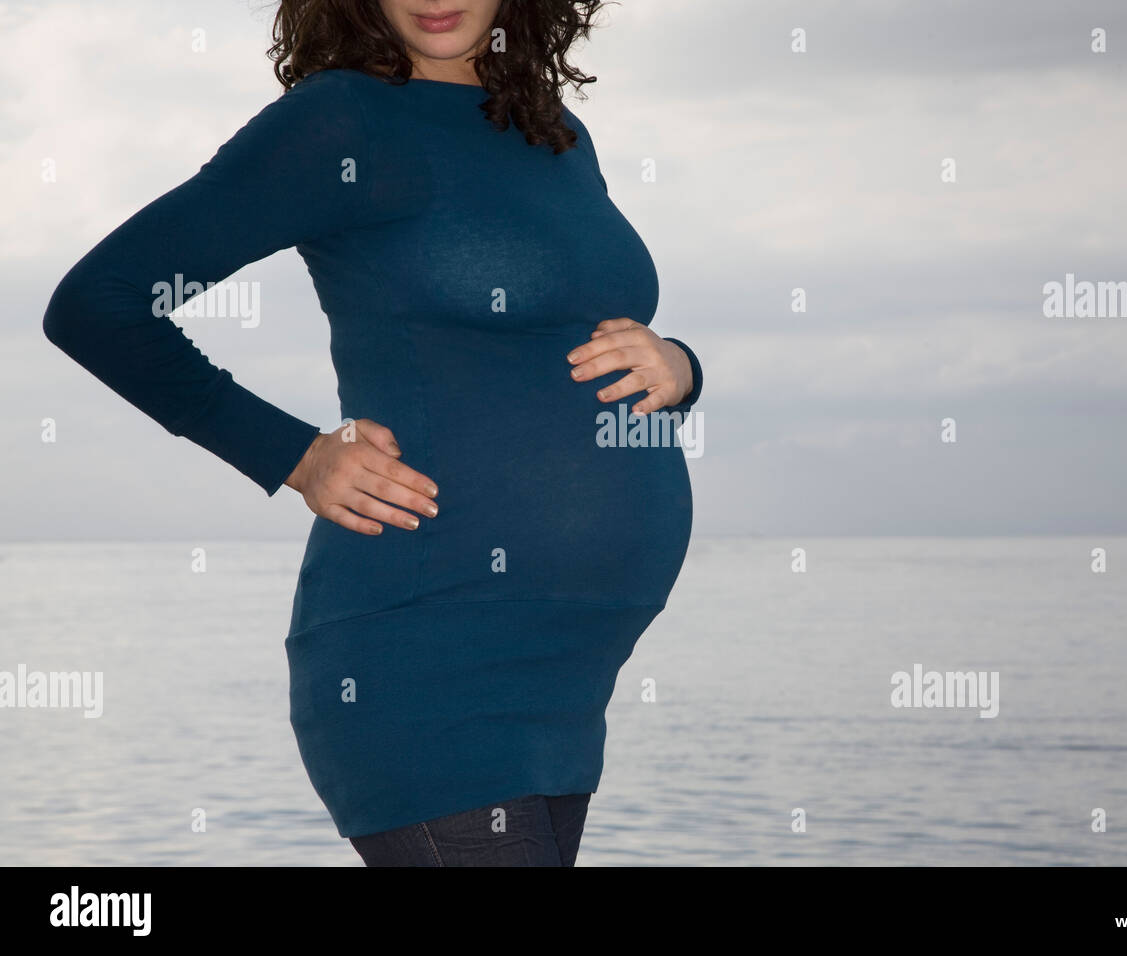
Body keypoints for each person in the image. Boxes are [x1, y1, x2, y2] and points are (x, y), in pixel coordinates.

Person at [42, 0, 703, 867]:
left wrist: (682, 367)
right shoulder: (341, 120)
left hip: (568, 681)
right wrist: (293, 454)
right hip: (428, 660)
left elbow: (570, 341)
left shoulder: (555, 133)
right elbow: (99, 303)